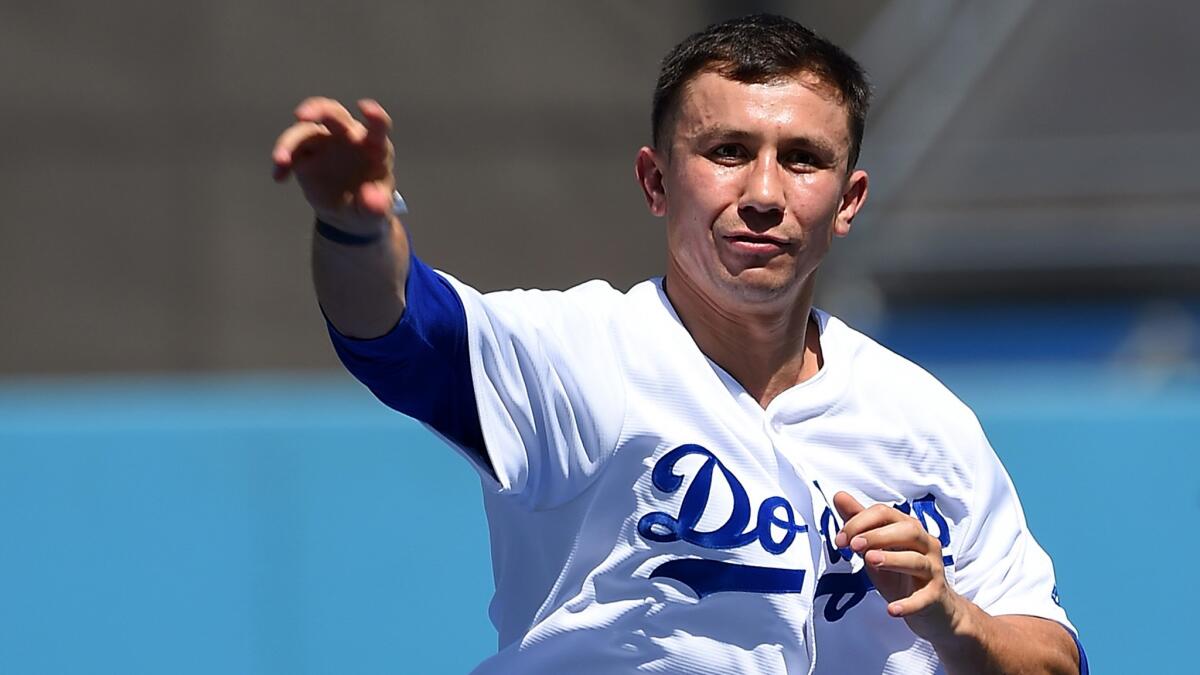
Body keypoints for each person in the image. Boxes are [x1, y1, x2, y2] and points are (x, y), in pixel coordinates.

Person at [272, 14, 1086, 675]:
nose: (764, 193)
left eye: (803, 160)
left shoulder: (923, 417)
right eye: (728, 152)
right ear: (656, 181)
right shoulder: (580, 353)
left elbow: (1054, 658)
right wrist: (353, 228)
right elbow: (398, 331)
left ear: (848, 200)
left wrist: (953, 618)